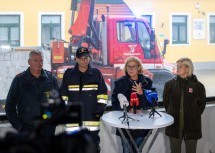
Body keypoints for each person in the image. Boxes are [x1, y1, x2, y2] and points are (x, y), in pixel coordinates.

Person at [60, 47, 108, 153]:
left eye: (86, 57)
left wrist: (98, 112)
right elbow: (63, 96)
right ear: (76, 59)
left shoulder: (96, 74)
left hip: (91, 120)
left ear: (89, 59)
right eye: (81, 58)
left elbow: (102, 96)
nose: (83, 60)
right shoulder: (68, 74)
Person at [5, 50, 59, 135]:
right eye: (35, 60)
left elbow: (58, 104)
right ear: (29, 62)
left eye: (41, 60)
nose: (39, 63)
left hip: (47, 130)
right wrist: (19, 126)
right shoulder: (19, 80)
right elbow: (9, 105)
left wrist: (53, 124)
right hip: (26, 130)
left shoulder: (51, 79)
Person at [163, 57, 206, 153]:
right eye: (177, 66)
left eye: (180, 66)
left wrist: (193, 116)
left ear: (188, 68)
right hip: (174, 126)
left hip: (192, 126)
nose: (177, 68)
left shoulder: (198, 86)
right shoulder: (169, 84)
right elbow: (166, 103)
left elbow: (201, 105)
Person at [111, 56, 153, 153]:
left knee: (137, 150)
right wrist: (128, 109)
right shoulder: (120, 82)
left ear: (139, 67)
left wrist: (142, 93)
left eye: (134, 66)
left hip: (142, 124)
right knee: (126, 150)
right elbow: (115, 102)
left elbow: (152, 103)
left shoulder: (147, 82)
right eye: (129, 66)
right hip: (125, 123)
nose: (131, 69)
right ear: (126, 68)